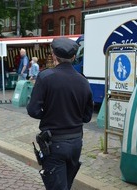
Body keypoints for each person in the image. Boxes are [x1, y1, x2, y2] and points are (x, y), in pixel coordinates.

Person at [26, 37, 94, 190]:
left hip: (55, 143)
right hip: (76, 142)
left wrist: (50, 114)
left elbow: (33, 110)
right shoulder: (83, 81)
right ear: (74, 57)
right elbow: (87, 117)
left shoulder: (45, 77)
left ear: (54, 56)